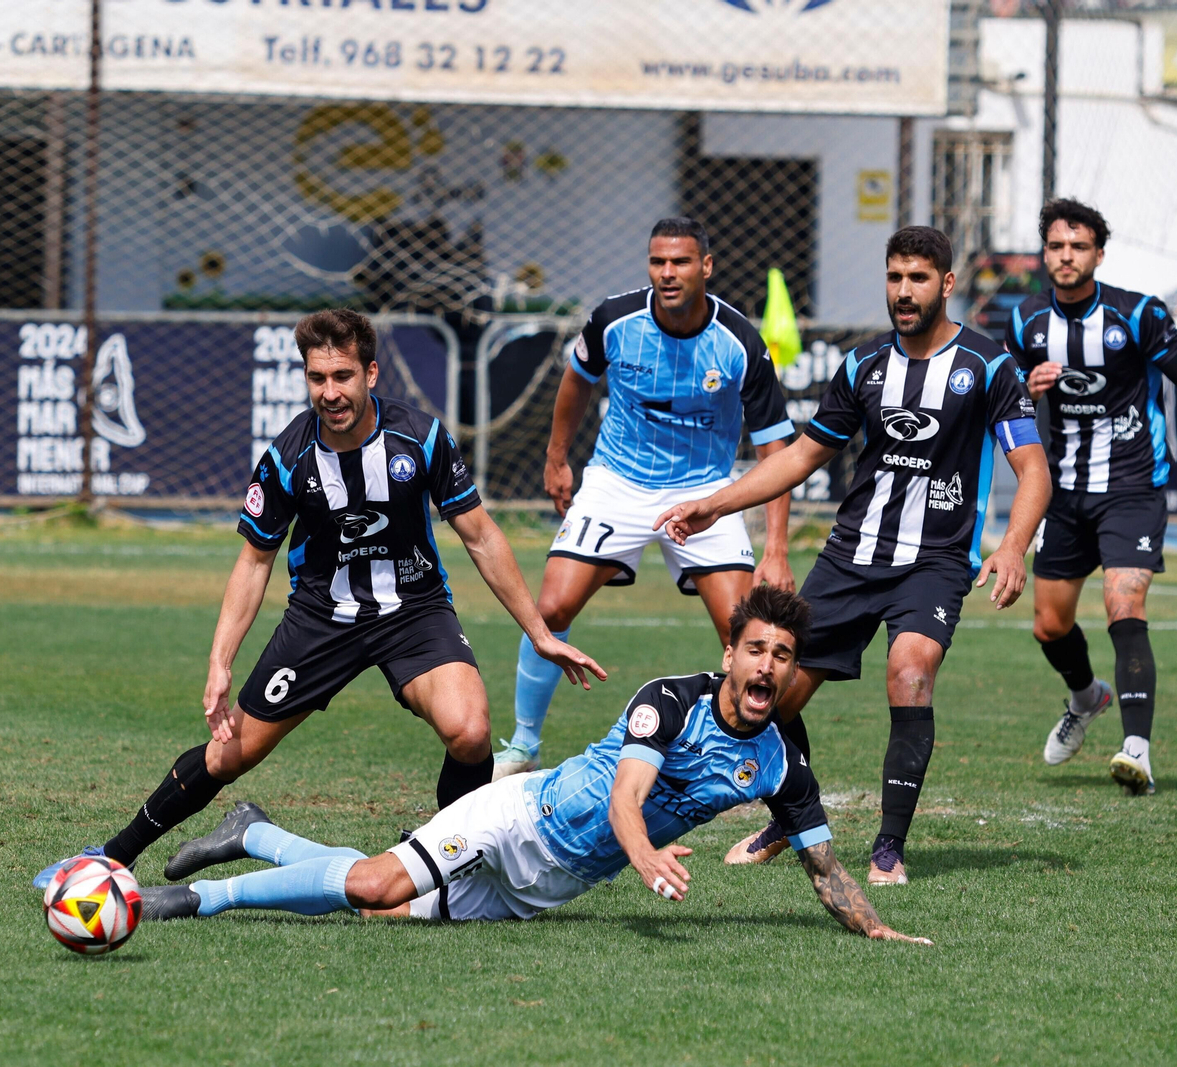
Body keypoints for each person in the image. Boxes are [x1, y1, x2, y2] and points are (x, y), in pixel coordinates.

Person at [33, 309, 605, 888]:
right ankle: (110, 855)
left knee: (471, 731)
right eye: (317, 378)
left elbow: (481, 535)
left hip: (414, 610)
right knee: (230, 755)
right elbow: (254, 562)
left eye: (342, 376)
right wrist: (219, 662)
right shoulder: (287, 458)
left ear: (371, 374)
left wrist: (538, 632)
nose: (330, 393)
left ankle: (448, 867)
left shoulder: (422, 438)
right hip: (320, 619)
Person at [139, 585, 931, 946]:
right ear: (730, 654)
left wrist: (878, 926)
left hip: (549, 883)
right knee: (376, 884)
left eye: (781, 657)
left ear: (793, 671)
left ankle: (256, 832)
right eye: (754, 649)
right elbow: (629, 797)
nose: (766, 667)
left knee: (373, 907)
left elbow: (822, 865)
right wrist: (648, 850)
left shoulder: (783, 763)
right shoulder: (671, 700)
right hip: (518, 815)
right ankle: (199, 899)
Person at [654, 226, 1052, 885]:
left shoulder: (987, 365)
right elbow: (805, 454)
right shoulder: (864, 365)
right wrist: (717, 504)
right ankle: (789, 818)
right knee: (770, 693)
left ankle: (888, 847)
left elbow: (1032, 467)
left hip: (934, 559)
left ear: (946, 285)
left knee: (910, 671)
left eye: (918, 278)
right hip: (850, 555)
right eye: (895, 277)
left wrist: (1013, 545)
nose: (904, 291)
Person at [494, 216, 797, 779]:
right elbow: (576, 380)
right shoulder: (614, 319)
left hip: (707, 488)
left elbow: (777, 446)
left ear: (705, 267)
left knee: (746, 630)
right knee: (553, 607)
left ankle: (748, 754)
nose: (667, 273)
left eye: (680, 262)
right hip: (617, 480)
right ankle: (523, 745)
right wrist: (557, 458)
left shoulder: (738, 342)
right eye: (658, 262)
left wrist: (776, 546)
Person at [1005, 199, 1177, 796]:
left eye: (1079, 247)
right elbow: (1002, 399)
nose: (1067, 256)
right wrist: (1022, 384)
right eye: (1057, 246)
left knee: (1124, 601)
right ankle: (1087, 697)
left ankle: (1136, 748)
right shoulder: (1027, 321)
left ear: (1098, 254)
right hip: (1062, 493)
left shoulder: (1137, 315)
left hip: (1132, 487)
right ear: (1046, 253)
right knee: (1048, 624)